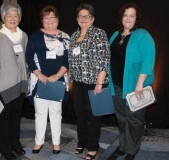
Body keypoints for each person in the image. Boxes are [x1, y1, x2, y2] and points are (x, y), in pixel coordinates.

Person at [108, 3, 156, 160]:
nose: (128, 18)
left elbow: (148, 61)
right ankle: (122, 146)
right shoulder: (115, 35)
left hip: (135, 87)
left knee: (134, 121)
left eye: (132, 15)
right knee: (121, 119)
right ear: (121, 17)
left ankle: (132, 150)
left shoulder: (143, 35)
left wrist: (140, 83)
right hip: (116, 85)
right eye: (125, 15)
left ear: (137, 18)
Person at [68, 4, 110, 160]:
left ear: (92, 19)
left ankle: (93, 146)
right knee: (80, 114)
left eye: (87, 16)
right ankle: (82, 141)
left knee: (93, 116)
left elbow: (104, 59)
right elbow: (71, 60)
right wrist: (69, 78)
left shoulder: (99, 34)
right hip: (78, 81)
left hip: (94, 81)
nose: (83, 19)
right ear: (77, 19)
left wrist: (99, 83)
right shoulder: (73, 36)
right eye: (80, 16)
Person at [25, 5, 70, 154]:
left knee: (56, 112)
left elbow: (67, 60)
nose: (50, 20)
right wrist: (40, 75)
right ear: (42, 20)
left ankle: (56, 143)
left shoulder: (65, 37)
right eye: (46, 17)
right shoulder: (35, 35)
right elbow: (29, 57)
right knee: (40, 112)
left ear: (58, 19)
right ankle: (39, 142)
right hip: (39, 80)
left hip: (57, 80)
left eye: (53, 17)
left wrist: (56, 76)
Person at [0, 2, 28, 160]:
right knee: (5, 117)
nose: (13, 18)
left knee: (17, 116)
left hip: (20, 82)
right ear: (3, 17)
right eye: (9, 15)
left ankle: (15, 144)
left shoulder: (23, 35)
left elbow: (24, 59)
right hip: (4, 83)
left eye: (15, 15)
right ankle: (5, 149)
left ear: (19, 18)